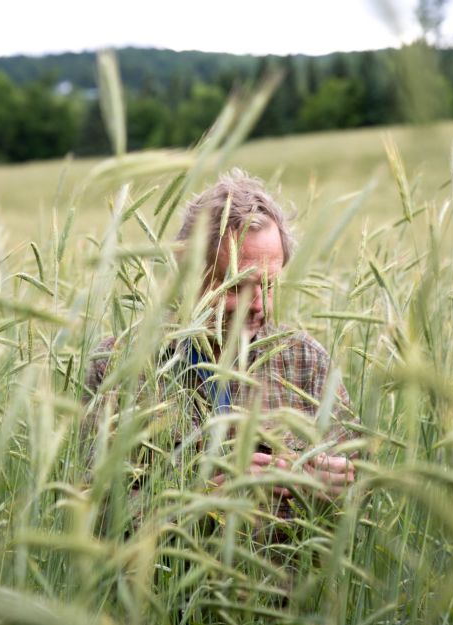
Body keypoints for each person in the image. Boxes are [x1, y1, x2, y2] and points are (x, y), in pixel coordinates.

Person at [82, 169, 358, 521]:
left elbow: (360, 489)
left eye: (269, 285)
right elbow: (90, 509)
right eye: (236, 287)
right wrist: (205, 496)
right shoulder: (117, 367)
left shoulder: (305, 362)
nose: (258, 305)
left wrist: (337, 484)